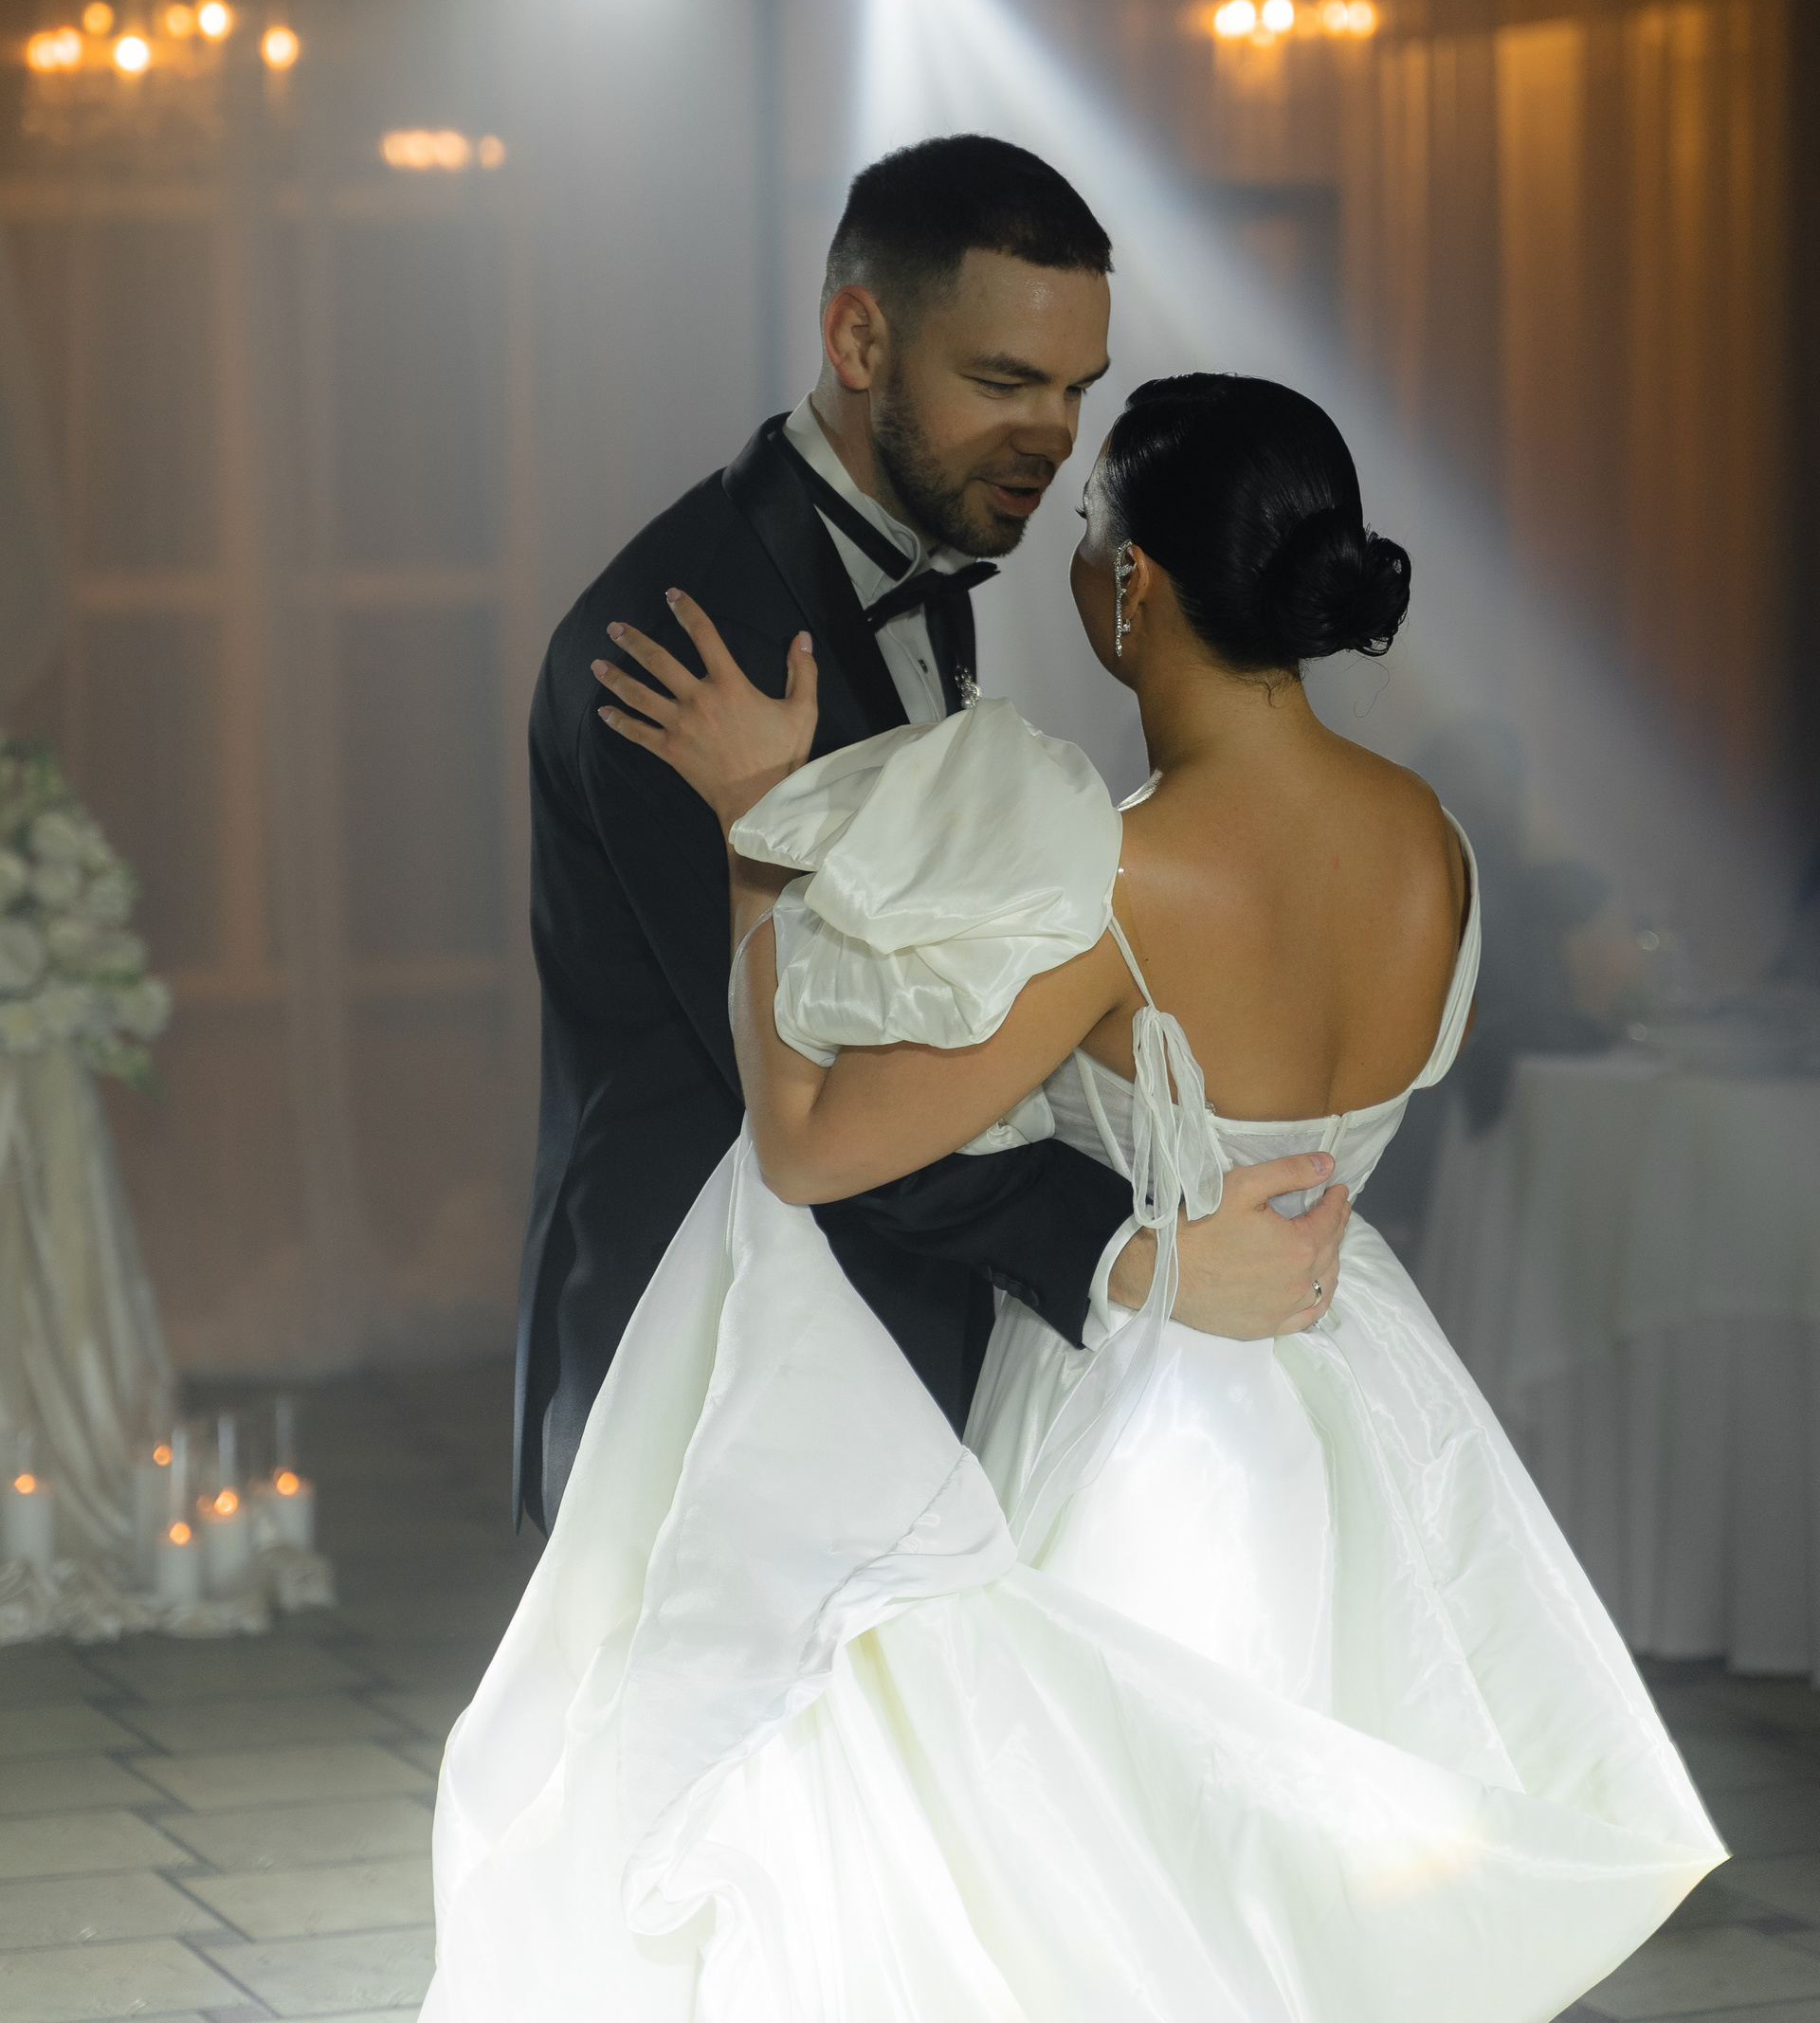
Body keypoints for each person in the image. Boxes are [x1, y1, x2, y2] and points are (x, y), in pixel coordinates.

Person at [428, 374, 1721, 2020]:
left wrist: (760, 839)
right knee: (1299, 1881)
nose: (1072, 552)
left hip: (1147, 1418)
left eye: (1092, 524)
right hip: (1361, 1394)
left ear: (1134, 585)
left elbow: (808, 1143)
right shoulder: (1436, 846)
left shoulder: (1116, 876)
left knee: (1117, 1885)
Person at [516, 135, 1339, 1530]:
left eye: (1076, 389)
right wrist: (1136, 1255)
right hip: (703, 1363)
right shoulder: (679, 638)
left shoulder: (925, 560)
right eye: (1005, 383)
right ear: (858, 339)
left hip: (878, 1348)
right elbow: (815, 1080)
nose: (1055, 436)